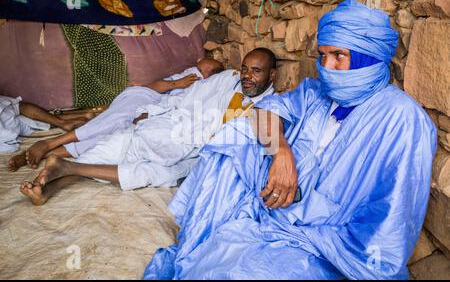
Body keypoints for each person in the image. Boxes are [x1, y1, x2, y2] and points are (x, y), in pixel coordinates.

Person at [142, 0, 437, 280]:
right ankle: (201, 236)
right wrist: (282, 153)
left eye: (339, 56)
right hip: (277, 200)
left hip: (327, 235)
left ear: (368, 56)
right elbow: (263, 113)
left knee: (247, 274)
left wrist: (313, 231)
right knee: (233, 140)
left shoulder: (401, 119)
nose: (327, 68)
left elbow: (391, 217)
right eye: (322, 56)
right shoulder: (315, 92)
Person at [19, 48, 278, 206]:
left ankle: (63, 171)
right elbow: (187, 97)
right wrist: (153, 111)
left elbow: (259, 145)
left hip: (199, 154)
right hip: (175, 128)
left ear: (272, 75)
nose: (247, 75)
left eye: (256, 71)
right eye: (245, 68)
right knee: (121, 143)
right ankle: (52, 181)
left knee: (155, 173)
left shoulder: (272, 106)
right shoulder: (226, 80)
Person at [8, 58, 224, 171]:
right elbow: (154, 86)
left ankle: (44, 155)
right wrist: (179, 83)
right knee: (111, 122)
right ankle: (48, 143)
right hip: (143, 97)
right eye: (207, 64)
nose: (204, 64)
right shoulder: (191, 74)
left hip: (150, 109)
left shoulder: (205, 82)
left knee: (109, 137)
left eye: (210, 66)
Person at [1, 95, 94, 154]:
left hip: (10, 121)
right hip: (10, 129)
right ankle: (69, 121)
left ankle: (63, 123)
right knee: (29, 121)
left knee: (18, 110)